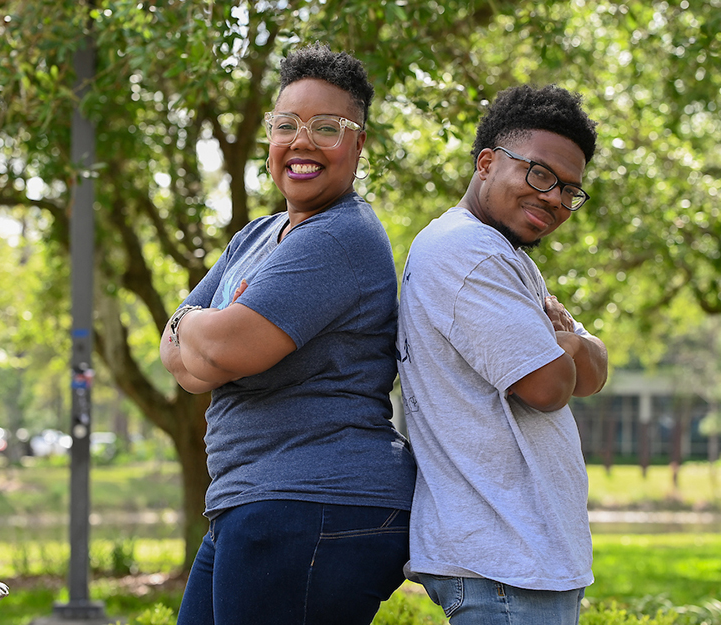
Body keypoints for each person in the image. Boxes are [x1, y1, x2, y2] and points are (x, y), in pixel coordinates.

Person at [160, 43, 416, 625]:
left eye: (327, 127)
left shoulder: (339, 237)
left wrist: (200, 332)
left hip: (316, 503)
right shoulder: (256, 236)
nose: (302, 142)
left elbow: (225, 350)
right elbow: (177, 360)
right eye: (287, 125)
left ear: (358, 144)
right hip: (255, 500)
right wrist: (204, 334)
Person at [396, 84, 609, 625]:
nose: (556, 198)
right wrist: (566, 342)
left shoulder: (505, 255)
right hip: (504, 564)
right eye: (540, 174)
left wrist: (566, 345)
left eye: (569, 189)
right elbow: (549, 388)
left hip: (524, 561)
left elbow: (595, 371)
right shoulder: (468, 252)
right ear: (487, 163)